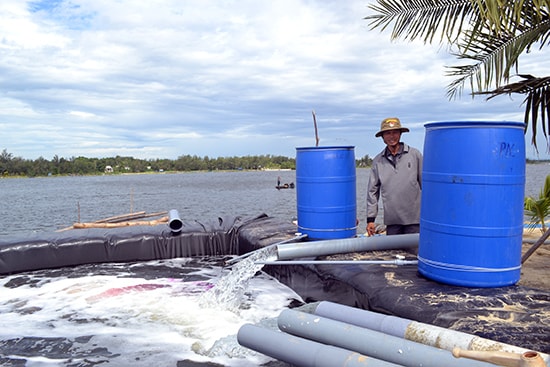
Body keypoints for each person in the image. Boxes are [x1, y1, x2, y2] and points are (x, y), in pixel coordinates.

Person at [366, 117, 422, 236]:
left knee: (414, 252)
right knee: (394, 253)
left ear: (400, 134)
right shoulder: (378, 161)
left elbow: (427, 185)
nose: (392, 136)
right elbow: (372, 191)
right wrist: (371, 219)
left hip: (414, 220)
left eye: (395, 132)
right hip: (392, 221)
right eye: (388, 133)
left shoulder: (415, 155)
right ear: (382, 137)